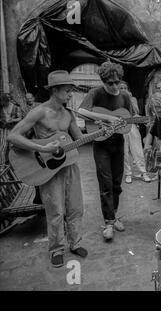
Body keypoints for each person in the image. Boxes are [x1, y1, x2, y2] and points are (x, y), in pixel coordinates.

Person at [7, 71, 88, 267]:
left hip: (69, 166)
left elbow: (79, 140)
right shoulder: (39, 112)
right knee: (55, 211)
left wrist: (102, 133)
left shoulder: (69, 114)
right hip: (47, 170)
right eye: (67, 91)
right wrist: (42, 148)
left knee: (76, 207)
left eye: (71, 91)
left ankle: (75, 243)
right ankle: (56, 249)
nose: (70, 95)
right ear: (55, 90)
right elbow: (13, 136)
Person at [78, 62, 132, 242]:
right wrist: (107, 117)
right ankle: (108, 222)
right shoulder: (95, 93)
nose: (115, 86)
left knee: (117, 182)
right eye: (110, 83)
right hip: (101, 144)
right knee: (105, 182)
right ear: (103, 81)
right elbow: (80, 111)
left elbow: (129, 119)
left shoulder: (124, 96)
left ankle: (113, 215)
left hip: (118, 143)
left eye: (117, 82)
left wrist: (125, 122)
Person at [118, 81, 152, 184]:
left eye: (125, 88)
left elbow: (136, 113)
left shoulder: (132, 99)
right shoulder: (115, 100)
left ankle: (143, 172)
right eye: (121, 88)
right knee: (124, 151)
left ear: (128, 90)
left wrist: (129, 100)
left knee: (137, 149)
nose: (123, 90)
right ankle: (128, 174)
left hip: (132, 125)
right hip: (120, 127)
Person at [0, 93, 22, 165]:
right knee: (3, 147)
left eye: (2, 102)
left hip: (13, 129)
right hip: (3, 129)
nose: (1, 104)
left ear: (6, 101)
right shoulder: (1, 107)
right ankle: (2, 164)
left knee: (12, 147)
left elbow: (20, 118)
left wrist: (12, 120)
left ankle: (12, 164)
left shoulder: (16, 107)